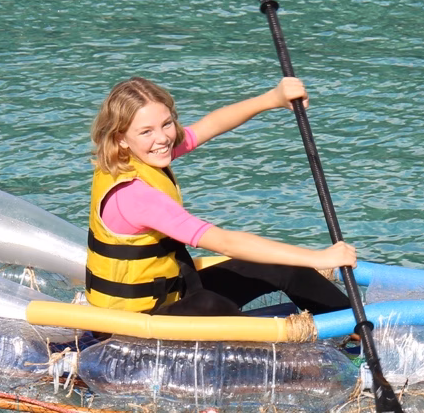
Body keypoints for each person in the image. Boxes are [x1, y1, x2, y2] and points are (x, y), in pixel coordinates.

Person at [86, 75, 355, 317]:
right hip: (133, 323)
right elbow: (224, 242)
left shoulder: (142, 155)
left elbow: (210, 125)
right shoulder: (134, 195)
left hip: (172, 294)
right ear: (120, 138)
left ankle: (356, 329)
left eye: (167, 124)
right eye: (146, 131)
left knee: (282, 265)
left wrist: (272, 98)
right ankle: (294, 359)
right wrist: (318, 257)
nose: (163, 138)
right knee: (210, 305)